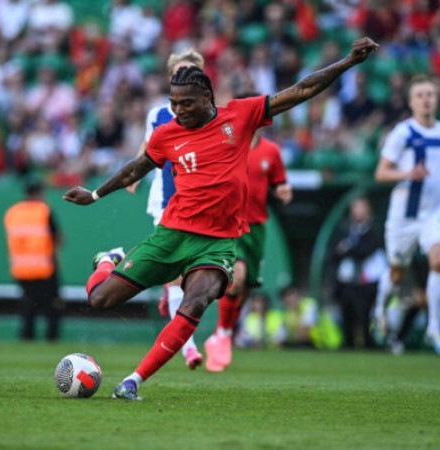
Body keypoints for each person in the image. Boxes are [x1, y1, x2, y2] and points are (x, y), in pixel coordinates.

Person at [63, 37, 379, 400]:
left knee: (196, 301)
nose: (178, 110)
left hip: (217, 242)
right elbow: (136, 167)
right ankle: (108, 261)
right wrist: (95, 194)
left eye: (186, 103)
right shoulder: (167, 135)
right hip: (172, 234)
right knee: (100, 299)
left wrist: (347, 62)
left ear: (207, 99)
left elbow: (301, 89)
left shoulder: (239, 116)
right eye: (173, 103)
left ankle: (133, 381)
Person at [372, 74, 440, 357]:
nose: (426, 100)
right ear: (411, 101)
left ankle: (434, 330)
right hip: (405, 215)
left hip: (436, 212)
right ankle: (379, 309)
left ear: (437, 99)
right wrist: (408, 174)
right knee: (397, 271)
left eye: (430, 94)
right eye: (420, 95)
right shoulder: (402, 133)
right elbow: (381, 173)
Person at [127, 48, 207, 370]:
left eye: (190, 72)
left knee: (190, 275)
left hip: (199, 201)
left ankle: (168, 295)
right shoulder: (158, 114)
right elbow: (148, 148)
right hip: (166, 200)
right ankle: (188, 346)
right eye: (178, 73)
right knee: (177, 276)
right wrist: (133, 175)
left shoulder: (210, 115)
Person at [204, 130, 292, 371]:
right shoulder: (227, 146)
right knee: (237, 277)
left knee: (245, 287)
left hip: (257, 229)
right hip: (231, 224)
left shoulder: (271, 151)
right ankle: (222, 333)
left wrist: (283, 190)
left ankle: (224, 333)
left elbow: (278, 182)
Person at [4, 179, 62, 342]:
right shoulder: (43, 210)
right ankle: (52, 338)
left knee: (28, 306)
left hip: (21, 269)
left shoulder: (13, 212)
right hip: (44, 268)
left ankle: (27, 337)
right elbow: (57, 237)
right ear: (38, 194)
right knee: (51, 306)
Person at [329, 196, 385, 350]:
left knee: (364, 313)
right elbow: (333, 253)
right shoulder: (344, 230)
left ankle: (368, 342)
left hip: (366, 283)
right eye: (356, 208)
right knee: (347, 312)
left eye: (362, 208)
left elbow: (364, 251)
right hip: (347, 282)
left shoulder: (375, 231)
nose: (359, 211)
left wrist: (346, 250)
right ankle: (348, 342)